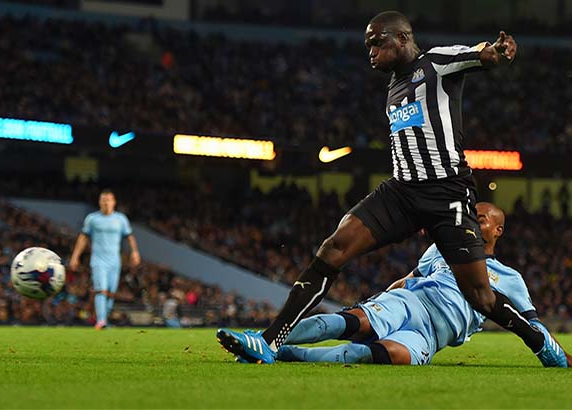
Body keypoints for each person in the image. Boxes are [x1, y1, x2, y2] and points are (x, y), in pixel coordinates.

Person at [217, 11, 566, 367]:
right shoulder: (394, 87)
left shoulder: (436, 63)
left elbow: (480, 54)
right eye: (368, 45)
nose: (370, 52)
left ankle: (543, 346)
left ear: (402, 39)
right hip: (401, 192)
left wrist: (497, 51)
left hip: (447, 193)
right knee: (334, 248)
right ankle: (270, 342)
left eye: (376, 43)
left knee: (480, 295)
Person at [274, 203, 571, 367]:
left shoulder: (510, 279)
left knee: (379, 355)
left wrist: (564, 357)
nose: (472, 224)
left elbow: (534, 327)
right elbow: (410, 278)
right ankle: (269, 339)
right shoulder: (443, 249)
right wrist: (380, 300)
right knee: (352, 322)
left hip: (431, 336)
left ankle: (289, 354)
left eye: (480, 220)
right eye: (470, 219)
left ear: (498, 229)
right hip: (411, 303)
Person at [70, 189, 141, 329]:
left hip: (115, 261)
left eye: (108, 199)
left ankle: (104, 320)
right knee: (101, 290)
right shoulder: (92, 219)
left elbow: (130, 236)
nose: (105, 202)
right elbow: (83, 237)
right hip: (98, 260)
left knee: (110, 293)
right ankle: (101, 321)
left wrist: (135, 252)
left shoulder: (121, 219)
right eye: (103, 200)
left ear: (114, 202)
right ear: (99, 202)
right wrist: (75, 256)